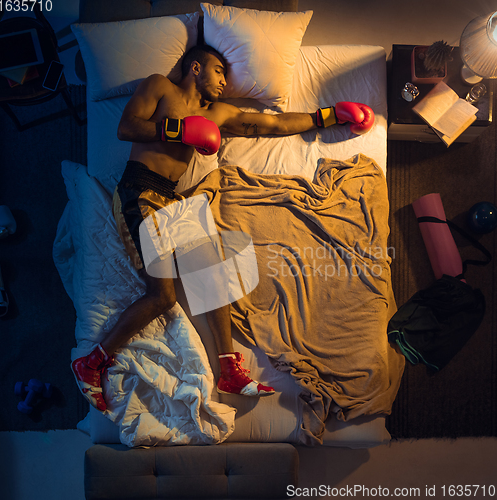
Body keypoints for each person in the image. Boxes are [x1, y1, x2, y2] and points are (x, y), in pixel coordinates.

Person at [71, 44, 375, 412]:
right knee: (162, 297)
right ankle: (91, 362)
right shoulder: (160, 87)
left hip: (171, 197)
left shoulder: (217, 114)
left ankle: (229, 369)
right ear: (195, 67)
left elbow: (274, 125)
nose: (224, 82)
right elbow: (127, 127)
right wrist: (181, 130)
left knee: (212, 273)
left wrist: (328, 116)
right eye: (219, 72)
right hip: (138, 192)